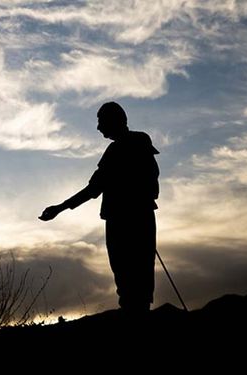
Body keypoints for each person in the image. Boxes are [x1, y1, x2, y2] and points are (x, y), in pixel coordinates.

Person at [40, 101, 160, 314]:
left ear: (114, 121)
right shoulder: (126, 146)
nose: (98, 127)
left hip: (129, 220)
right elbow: (95, 188)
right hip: (129, 218)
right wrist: (60, 208)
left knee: (135, 277)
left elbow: (95, 188)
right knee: (128, 279)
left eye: (101, 121)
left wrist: (60, 208)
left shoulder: (132, 144)